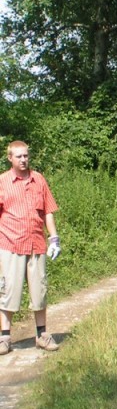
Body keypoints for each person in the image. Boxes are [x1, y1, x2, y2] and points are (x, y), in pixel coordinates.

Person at [0, 141, 61, 355]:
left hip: (36, 244)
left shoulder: (39, 180)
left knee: (40, 291)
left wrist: (54, 238)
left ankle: (42, 335)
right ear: (10, 158)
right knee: (8, 291)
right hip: (10, 244)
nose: (23, 160)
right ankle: (5, 338)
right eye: (19, 156)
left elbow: (48, 211)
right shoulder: (3, 182)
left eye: (26, 156)